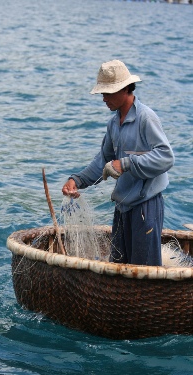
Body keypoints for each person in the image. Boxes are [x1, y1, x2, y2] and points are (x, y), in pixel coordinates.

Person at [62, 60, 175, 266]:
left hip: (145, 206)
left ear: (125, 89)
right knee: (120, 267)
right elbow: (103, 162)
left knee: (143, 272)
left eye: (108, 92)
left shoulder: (145, 118)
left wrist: (126, 164)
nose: (103, 98)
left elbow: (166, 156)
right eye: (102, 93)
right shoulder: (113, 123)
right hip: (122, 208)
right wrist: (76, 180)